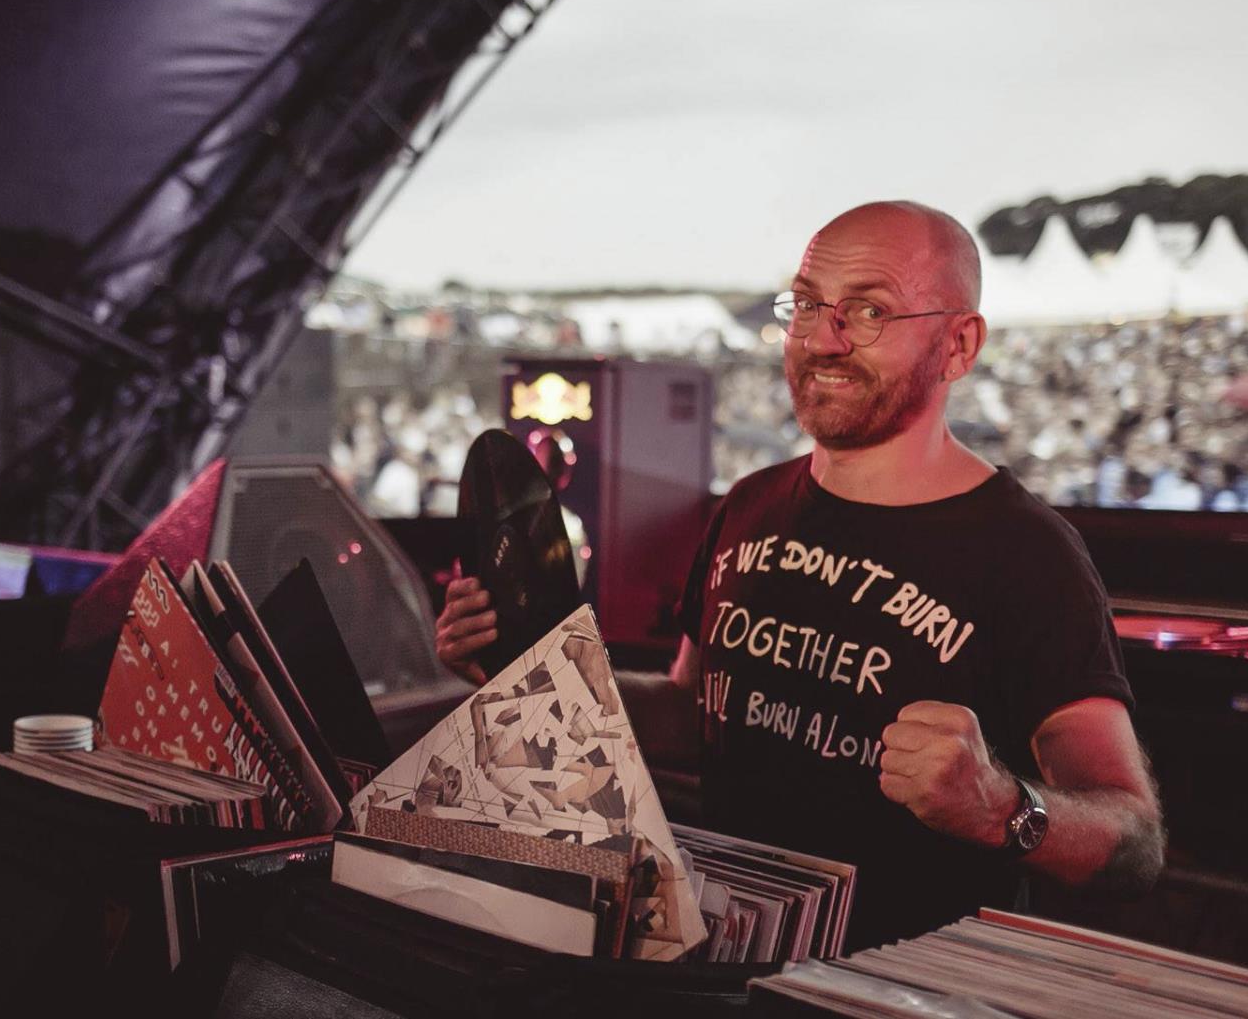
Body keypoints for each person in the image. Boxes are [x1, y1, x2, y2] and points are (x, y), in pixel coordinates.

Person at [437, 201, 1164, 949]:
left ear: (958, 345)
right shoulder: (750, 504)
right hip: (726, 958)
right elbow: (693, 710)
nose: (822, 339)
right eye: (808, 304)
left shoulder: (1031, 554)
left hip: (900, 983)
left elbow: (1135, 839)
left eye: (870, 310)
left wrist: (999, 806)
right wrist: (534, 674)